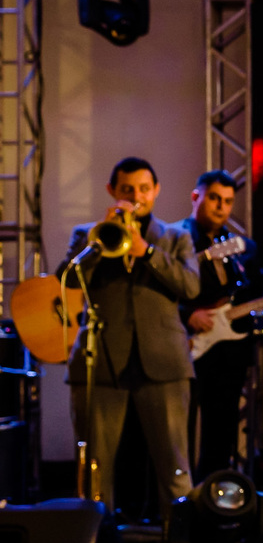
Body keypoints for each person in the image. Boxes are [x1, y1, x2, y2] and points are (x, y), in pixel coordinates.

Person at [57, 157, 200, 519]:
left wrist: (147, 253)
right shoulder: (88, 234)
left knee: (175, 469)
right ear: (112, 192)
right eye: (127, 190)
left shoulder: (176, 237)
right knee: (95, 474)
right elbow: (67, 280)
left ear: (156, 192)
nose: (136, 197)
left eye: (144, 189)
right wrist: (102, 238)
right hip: (102, 360)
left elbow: (191, 287)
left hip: (164, 363)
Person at [177, 169, 263, 480]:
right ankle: (179, 496)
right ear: (195, 197)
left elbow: (257, 291)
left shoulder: (243, 247)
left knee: (222, 426)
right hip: (184, 345)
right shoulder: (174, 238)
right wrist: (187, 314)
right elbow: (156, 292)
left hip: (229, 350)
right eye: (214, 198)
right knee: (180, 427)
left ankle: (215, 494)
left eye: (228, 201)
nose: (220, 207)